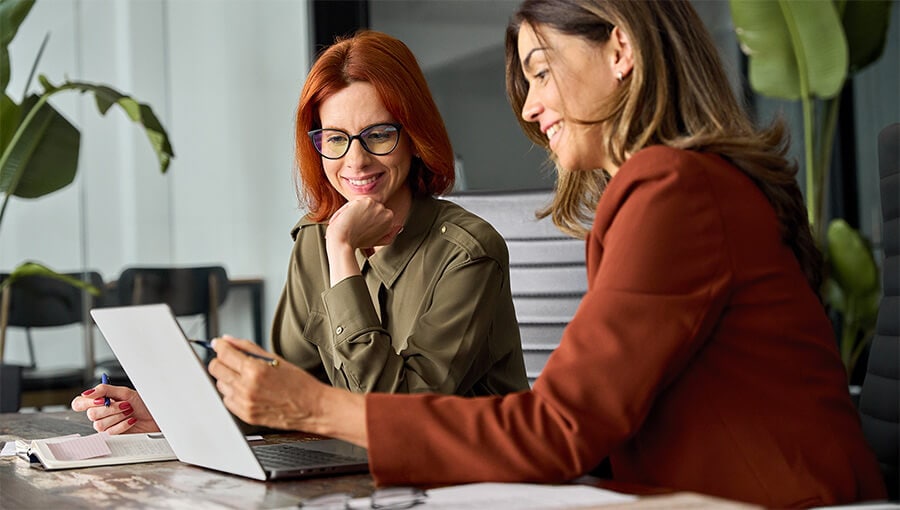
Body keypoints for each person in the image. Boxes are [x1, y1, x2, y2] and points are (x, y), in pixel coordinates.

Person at [78, 1, 887, 506]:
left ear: (621, 50)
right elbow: (584, 420)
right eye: (332, 140)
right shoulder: (681, 187)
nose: (531, 109)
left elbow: (557, 427)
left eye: (539, 72)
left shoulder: (672, 188)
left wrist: (310, 408)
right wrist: (188, 412)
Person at [72, 30, 528, 433]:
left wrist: (343, 252)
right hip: (351, 475)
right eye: (335, 138)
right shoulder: (315, 239)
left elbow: (393, 416)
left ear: (414, 136)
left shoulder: (468, 252)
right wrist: (169, 414)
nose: (356, 161)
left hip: (464, 482)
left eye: (379, 135)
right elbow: (287, 388)